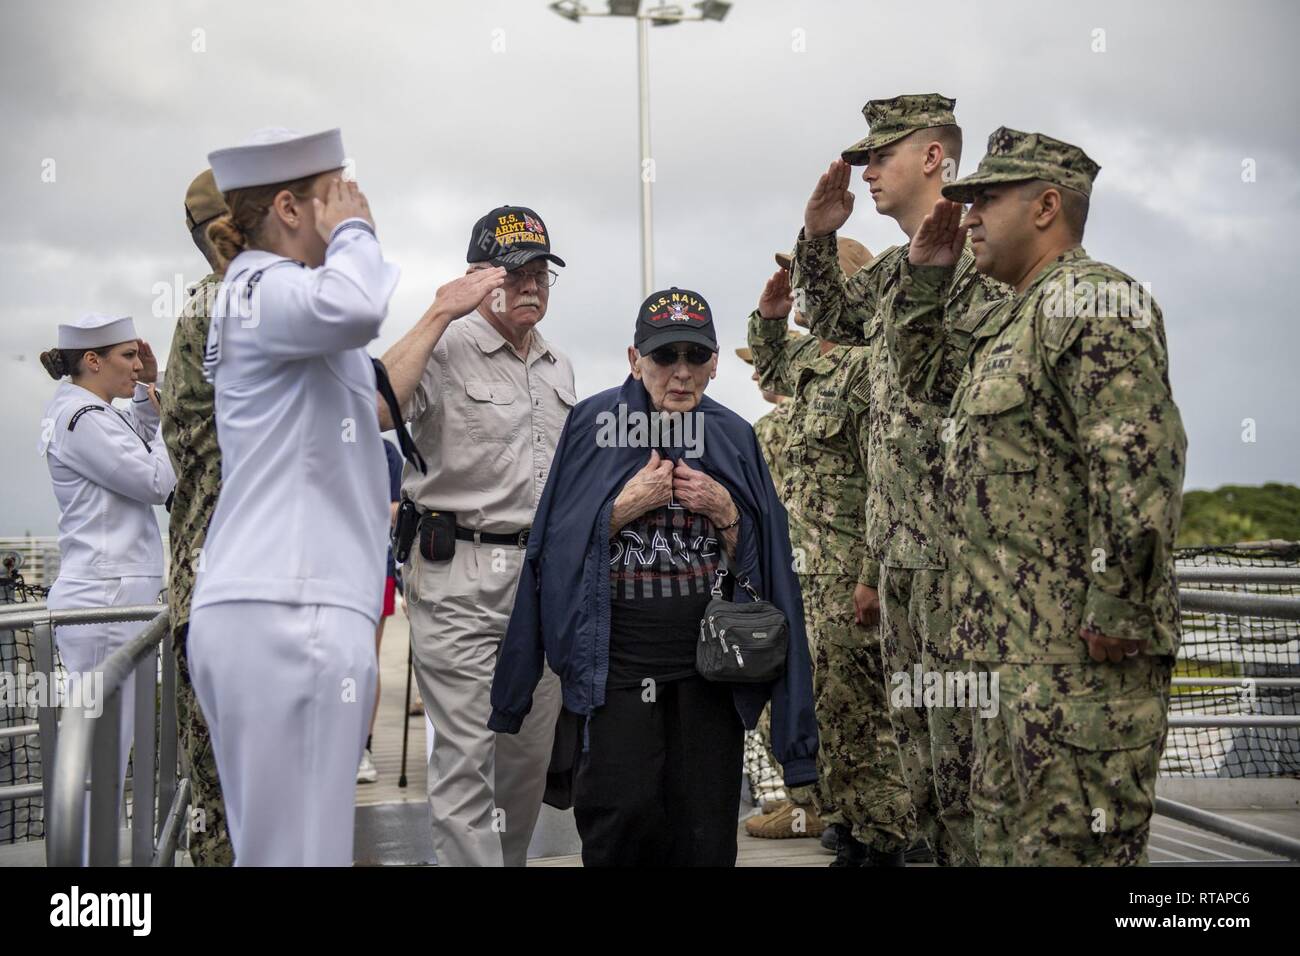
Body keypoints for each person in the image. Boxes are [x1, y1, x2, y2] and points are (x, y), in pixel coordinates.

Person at [188, 127, 504, 866]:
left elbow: (373, 398)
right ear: (292, 208)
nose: (354, 201)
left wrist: (437, 311)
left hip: (293, 604)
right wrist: (358, 229)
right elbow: (359, 305)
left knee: (297, 851)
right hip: (286, 611)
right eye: (339, 190)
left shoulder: (280, 307)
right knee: (295, 855)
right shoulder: (263, 289)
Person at [891, 127, 1186, 865]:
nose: (968, 217)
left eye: (986, 200)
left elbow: (1138, 462)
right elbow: (923, 388)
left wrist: (1118, 609)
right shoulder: (1006, 318)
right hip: (1002, 672)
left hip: (1073, 674)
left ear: (1047, 205)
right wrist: (926, 279)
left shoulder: (1094, 300)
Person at [489, 287, 820, 867]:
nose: (682, 373)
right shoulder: (595, 424)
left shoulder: (734, 436)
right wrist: (617, 510)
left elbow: (769, 566)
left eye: (697, 357)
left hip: (708, 672)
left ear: (716, 363)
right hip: (616, 667)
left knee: (704, 826)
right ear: (634, 359)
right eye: (666, 357)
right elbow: (550, 546)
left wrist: (729, 515)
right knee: (621, 815)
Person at [791, 93, 1005, 864]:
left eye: (882, 155)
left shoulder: (981, 263)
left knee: (971, 772)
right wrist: (820, 235)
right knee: (923, 769)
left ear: (934, 157)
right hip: (904, 558)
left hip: (961, 563)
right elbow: (825, 321)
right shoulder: (890, 275)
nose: (869, 170)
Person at [387, 205, 572, 867]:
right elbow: (374, 406)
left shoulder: (557, 366)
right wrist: (440, 312)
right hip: (456, 571)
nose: (532, 285)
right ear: (480, 277)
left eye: (542, 272)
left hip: (536, 585)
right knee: (467, 753)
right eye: (516, 271)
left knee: (525, 754)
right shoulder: (442, 347)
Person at [749, 242, 915, 866]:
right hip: (807, 575)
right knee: (826, 709)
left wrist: (873, 575)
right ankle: (846, 818)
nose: (800, 289)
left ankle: (887, 837)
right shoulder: (813, 365)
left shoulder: (868, 365)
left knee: (865, 712)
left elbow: (889, 478)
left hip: (852, 572)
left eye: (809, 279)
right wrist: (768, 315)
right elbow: (769, 370)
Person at [38, 315, 176, 831]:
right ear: (92, 361)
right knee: (101, 755)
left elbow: (128, 449)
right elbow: (155, 480)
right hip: (105, 600)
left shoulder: (88, 411)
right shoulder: (85, 418)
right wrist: (165, 421)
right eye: (127, 356)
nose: (138, 364)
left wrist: (144, 396)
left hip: (112, 594)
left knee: (108, 748)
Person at [160, 167, 234, 865]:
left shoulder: (205, 309)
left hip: (205, 586)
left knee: (217, 792)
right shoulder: (231, 305)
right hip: (230, 584)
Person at [357, 437, 404, 784]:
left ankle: (363, 748)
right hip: (324, 569)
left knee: (366, 661)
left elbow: (395, 510)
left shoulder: (386, 453)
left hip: (375, 569)